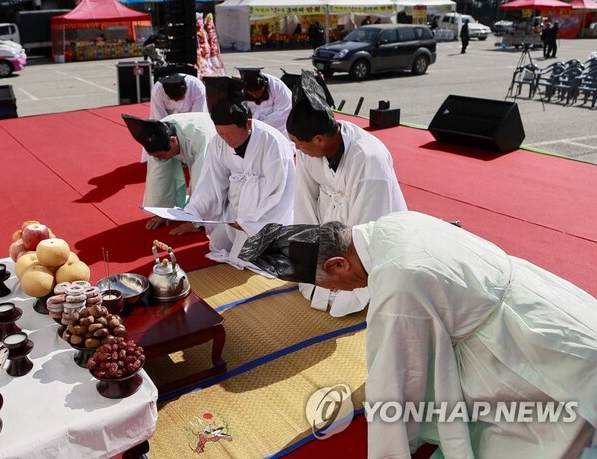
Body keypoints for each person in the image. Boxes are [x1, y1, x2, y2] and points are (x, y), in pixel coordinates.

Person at [239, 211, 597, 459]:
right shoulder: (393, 224)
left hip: (526, 343)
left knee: (539, 432)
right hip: (547, 299)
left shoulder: (398, 284)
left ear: (337, 264)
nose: (337, 292)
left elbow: (395, 379)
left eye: (329, 285)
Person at [286, 70, 406, 316]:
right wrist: (308, 252)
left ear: (319, 139)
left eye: (298, 143)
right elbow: (304, 201)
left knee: (352, 287)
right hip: (330, 227)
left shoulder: (368, 159)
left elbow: (369, 226)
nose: (296, 148)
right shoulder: (308, 151)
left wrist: (339, 265)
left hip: (370, 229)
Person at [182, 76, 295, 272]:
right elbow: (211, 181)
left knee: (254, 258)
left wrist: (251, 224)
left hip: (265, 211)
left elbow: (280, 191)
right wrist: (195, 212)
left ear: (248, 124)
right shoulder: (218, 142)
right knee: (219, 245)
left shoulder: (272, 143)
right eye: (221, 133)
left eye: (230, 134)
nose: (226, 139)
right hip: (236, 208)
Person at [122, 112, 216, 234]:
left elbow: (204, 183)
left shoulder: (202, 138)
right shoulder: (159, 130)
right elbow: (158, 177)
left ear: (173, 141)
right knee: (159, 165)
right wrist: (162, 212)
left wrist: (196, 221)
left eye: (161, 155)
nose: (159, 159)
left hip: (218, 144)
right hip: (192, 142)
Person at [141, 73, 207, 162]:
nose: (176, 101)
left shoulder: (197, 87)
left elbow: (198, 117)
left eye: (180, 98)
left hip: (191, 117)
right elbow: (159, 119)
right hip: (168, 119)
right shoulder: (158, 90)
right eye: (172, 99)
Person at [236, 67, 293, 137]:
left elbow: (284, 111)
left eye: (257, 92)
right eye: (252, 93)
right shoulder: (240, 91)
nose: (254, 95)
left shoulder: (277, 86)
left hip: (280, 128)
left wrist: (260, 124)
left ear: (265, 84)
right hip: (253, 129)